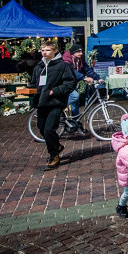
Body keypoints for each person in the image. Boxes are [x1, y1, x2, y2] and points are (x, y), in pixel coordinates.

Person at [30, 40, 77, 169]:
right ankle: (56, 146)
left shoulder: (63, 66)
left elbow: (70, 83)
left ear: (55, 51)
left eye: (48, 50)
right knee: (41, 128)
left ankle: (54, 155)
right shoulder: (38, 67)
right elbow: (34, 83)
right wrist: (31, 90)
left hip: (55, 102)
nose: (44, 52)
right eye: (43, 50)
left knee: (49, 129)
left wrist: (54, 91)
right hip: (41, 102)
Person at [62, 43, 99, 126]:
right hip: (65, 83)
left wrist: (97, 78)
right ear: (73, 52)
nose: (81, 53)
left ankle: (75, 123)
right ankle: (58, 109)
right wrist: (84, 78)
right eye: (78, 52)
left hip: (73, 83)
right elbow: (72, 71)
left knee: (75, 104)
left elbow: (87, 69)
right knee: (75, 96)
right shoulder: (66, 60)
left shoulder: (80, 59)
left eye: (81, 51)